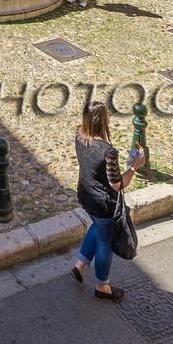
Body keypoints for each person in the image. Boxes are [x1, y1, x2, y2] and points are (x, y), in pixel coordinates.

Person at [71, 101, 139, 302]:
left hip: (85, 195)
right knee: (105, 243)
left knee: (98, 226)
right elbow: (117, 184)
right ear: (105, 121)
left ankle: (80, 265)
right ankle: (102, 286)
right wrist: (135, 166)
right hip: (103, 202)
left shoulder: (79, 135)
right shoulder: (108, 151)